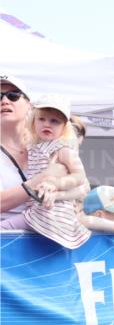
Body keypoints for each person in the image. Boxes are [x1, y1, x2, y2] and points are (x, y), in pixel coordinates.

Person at [3, 94, 92, 248]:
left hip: (50, 213)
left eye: (54, 121)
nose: (47, 124)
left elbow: (80, 178)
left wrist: (57, 184)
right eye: (42, 119)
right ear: (33, 120)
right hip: (37, 212)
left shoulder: (62, 149)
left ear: (64, 127)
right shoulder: (34, 147)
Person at [1, 74, 44, 225]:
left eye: (13, 95)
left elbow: (80, 189)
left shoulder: (47, 145)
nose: (5, 101)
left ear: (29, 106)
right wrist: (40, 180)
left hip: (48, 240)